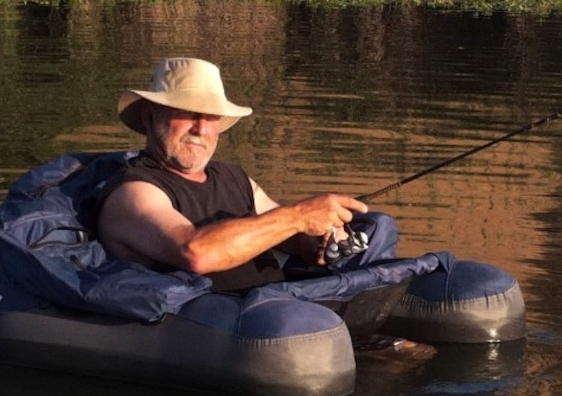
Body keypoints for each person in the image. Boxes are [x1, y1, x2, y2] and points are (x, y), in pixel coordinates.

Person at [96, 57, 370, 293]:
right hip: (217, 330)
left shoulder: (233, 177)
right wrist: (298, 216)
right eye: (186, 113)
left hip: (281, 311)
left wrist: (319, 240)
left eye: (211, 116)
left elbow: (288, 235)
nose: (201, 129)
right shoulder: (134, 191)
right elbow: (195, 253)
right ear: (149, 116)